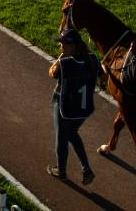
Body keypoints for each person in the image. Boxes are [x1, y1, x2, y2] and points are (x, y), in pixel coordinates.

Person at [47, 28, 98, 185]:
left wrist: (61, 56)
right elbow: (101, 74)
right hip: (83, 110)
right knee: (72, 134)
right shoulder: (92, 59)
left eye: (63, 44)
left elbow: (51, 72)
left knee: (62, 139)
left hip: (65, 108)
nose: (60, 47)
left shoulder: (65, 63)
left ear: (72, 46)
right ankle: (86, 168)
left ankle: (61, 171)